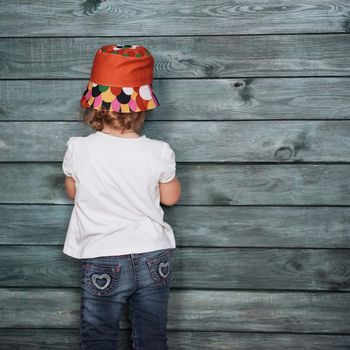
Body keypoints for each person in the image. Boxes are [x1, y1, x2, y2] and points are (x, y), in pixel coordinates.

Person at [61, 44, 181, 350]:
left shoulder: (79, 148)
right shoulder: (159, 151)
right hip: (154, 254)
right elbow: (170, 198)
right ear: (142, 108)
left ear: (94, 106)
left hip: (102, 254)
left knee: (99, 335)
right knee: (151, 336)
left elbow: (73, 192)